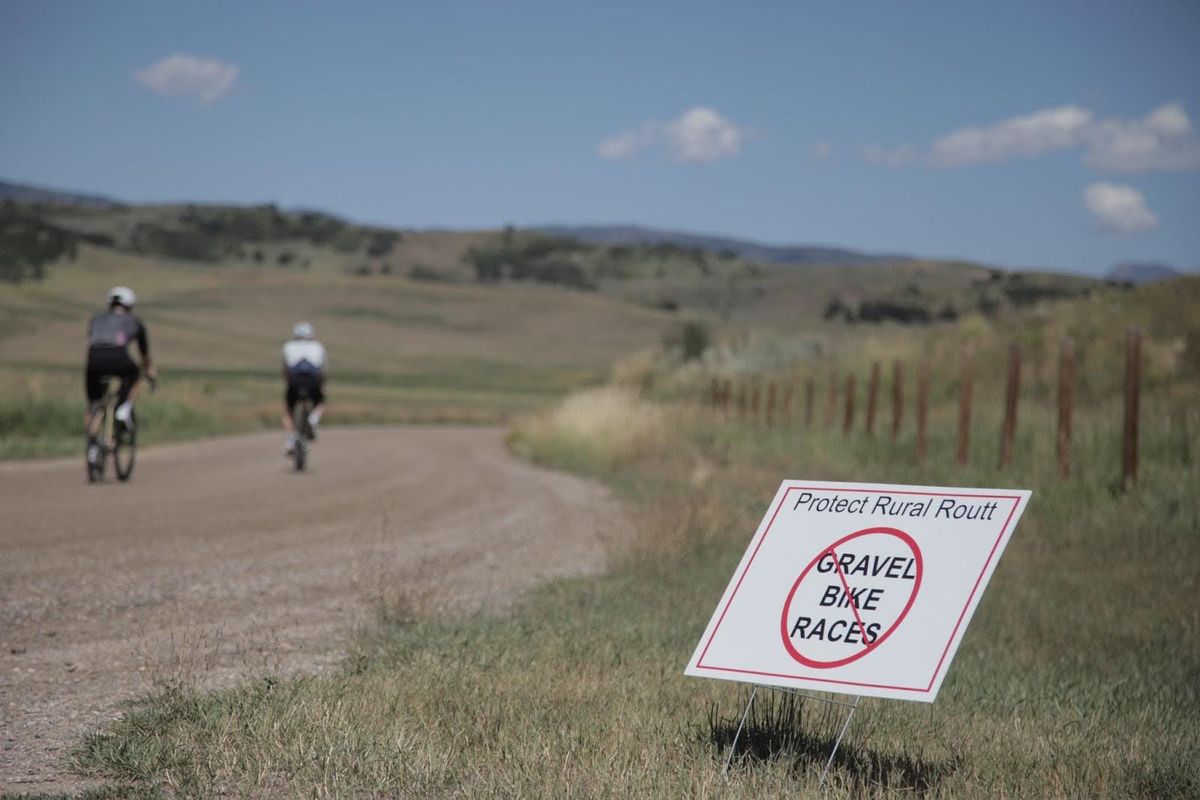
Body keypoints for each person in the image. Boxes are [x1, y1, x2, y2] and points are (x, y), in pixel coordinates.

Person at [85, 286, 155, 434]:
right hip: (118, 356)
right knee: (135, 376)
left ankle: (92, 443)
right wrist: (149, 370)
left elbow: (91, 340)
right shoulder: (134, 321)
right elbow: (144, 353)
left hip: (94, 358)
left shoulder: (97, 319)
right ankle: (125, 408)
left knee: (94, 402)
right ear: (130, 305)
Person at [281, 321, 326, 455]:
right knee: (321, 401)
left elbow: (285, 370)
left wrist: (288, 383)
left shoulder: (288, 346)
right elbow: (322, 371)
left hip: (294, 382)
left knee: (289, 410)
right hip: (313, 382)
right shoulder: (318, 347)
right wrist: (322, 386)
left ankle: (289, 442)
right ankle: (313, 420)